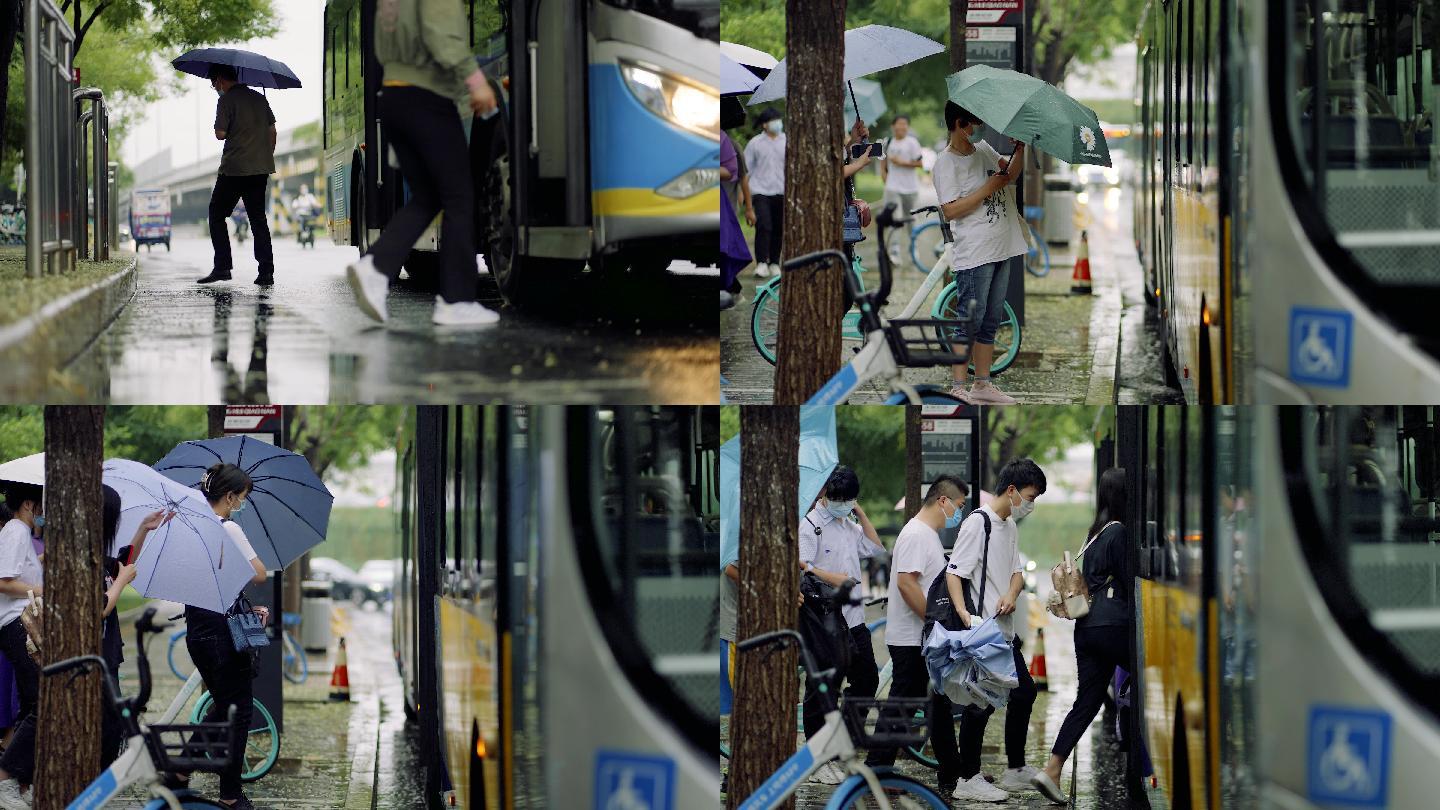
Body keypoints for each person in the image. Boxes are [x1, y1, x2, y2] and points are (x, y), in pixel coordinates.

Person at [344, 0, 501, 328]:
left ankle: (376, 268)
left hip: (394, 97)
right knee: (459, 197)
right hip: (427, 97)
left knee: (428, 196)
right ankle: (457, 301)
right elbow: (440, 34)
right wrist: (475, 81)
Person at [939, 458, 1046, 802]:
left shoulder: (1009, 525)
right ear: (1012, 490)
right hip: (982, 631)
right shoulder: (978, 523)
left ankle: (1013, 770)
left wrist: (1012, 594)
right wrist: (964, 614)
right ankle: (968, 778)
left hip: (1003, 630)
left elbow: (1016, 572)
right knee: (981, 703)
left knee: (1022, 693)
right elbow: (954, 573)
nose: (1031, 505)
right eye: (1030, 496)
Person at [164, 464, 269, 810]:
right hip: (223, 634)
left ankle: (180, 771)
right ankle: (229, 795)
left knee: (224, 704)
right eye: (241, 498)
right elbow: (259, 574)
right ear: (229, 496)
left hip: (199, 629)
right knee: (237, 712)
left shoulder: (188, 526)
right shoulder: (228, 527)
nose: (241, 504)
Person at [1032, 467, 1132, 804]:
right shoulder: (1119, 533)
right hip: (1112, 625)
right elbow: (1129, 583)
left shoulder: (1096, 534)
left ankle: (1052, 768)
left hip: (1086, 628)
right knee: (1155, 672)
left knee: (1086, 702)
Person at [864, 474, 969, 775]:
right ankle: (874, 770)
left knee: (937, 704)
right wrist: (933, 621)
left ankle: (952, 771)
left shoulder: (927, 535)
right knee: (901, 706)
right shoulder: (915, 534)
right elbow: (907, 584)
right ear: (943, 501)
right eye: (959, 505)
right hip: (912, 638)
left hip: (921, 637)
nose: (958, 513)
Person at [932, 102, 1028, 404]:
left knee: (991, 318)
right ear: (960, 124)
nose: (979, 129)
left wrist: (1021, 149)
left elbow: (1009, 174)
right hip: (975, 251)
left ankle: (982, 384)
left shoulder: (983, 150)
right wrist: (987, 188)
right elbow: (950, 210)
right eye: (975, 123)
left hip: (1003, 245)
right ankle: (959, 387)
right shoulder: (945, 163)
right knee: (968, 319)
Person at [798, 466, 885, 785]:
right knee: (822, 690)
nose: (842, 504)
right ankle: (817, 759)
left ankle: (840, 744)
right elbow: (802, 565)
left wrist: (857, 510)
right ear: (824, 495)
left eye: (848, 499)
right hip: (825, 620)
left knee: (866, 680)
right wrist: (831, 577)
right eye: (838, 499)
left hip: (855, 620)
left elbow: (875, 548)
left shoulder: (849, 525)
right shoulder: (810, 526)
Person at [198, 64, 278, 287]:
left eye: (214, 83)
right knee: (258, 220)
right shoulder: (259, 98)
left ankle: (223, 267)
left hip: (234, 169)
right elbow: (272, 131)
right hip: (260, 168)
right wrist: (264, 156)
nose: (214, 88)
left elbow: (220, 134)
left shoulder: (225, 100)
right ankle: (266, 272)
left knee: (216, 214)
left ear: (221, 80)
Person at [0, 486, 43, 809]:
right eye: (41, 504)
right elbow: (4, 581)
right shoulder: (16, 530)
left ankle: (22, 781)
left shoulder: (20, 533)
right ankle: (5, 779)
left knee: (34, 701)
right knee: (38, 702)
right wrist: (43, 588)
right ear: (28, 504)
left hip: (20, 624)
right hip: (17, 625)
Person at [743, 108, 786, 279]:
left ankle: (774, 262)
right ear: (764, 125)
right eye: (773, 120)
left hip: (782, 190)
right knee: (764, 225)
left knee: (779, 227)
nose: (777, 123)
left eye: (778, 119)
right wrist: (743, 197)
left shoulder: (787, 141)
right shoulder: (755, 143)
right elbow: (746, 170)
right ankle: (761, 262)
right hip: (760, 191)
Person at [881, 115, 924, 262]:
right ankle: (894, 251)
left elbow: (920, 164)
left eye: (905, 124)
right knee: (895, 218)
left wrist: (902, 162)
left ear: (908, 127)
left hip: (910, 188)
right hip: (893, 188)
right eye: (899, 124)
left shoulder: (912, 143)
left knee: (911, 219)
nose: (902, 127)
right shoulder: (887, 142)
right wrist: (886, 181)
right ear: (893, 126)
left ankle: (914, 248)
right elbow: (883, 164)